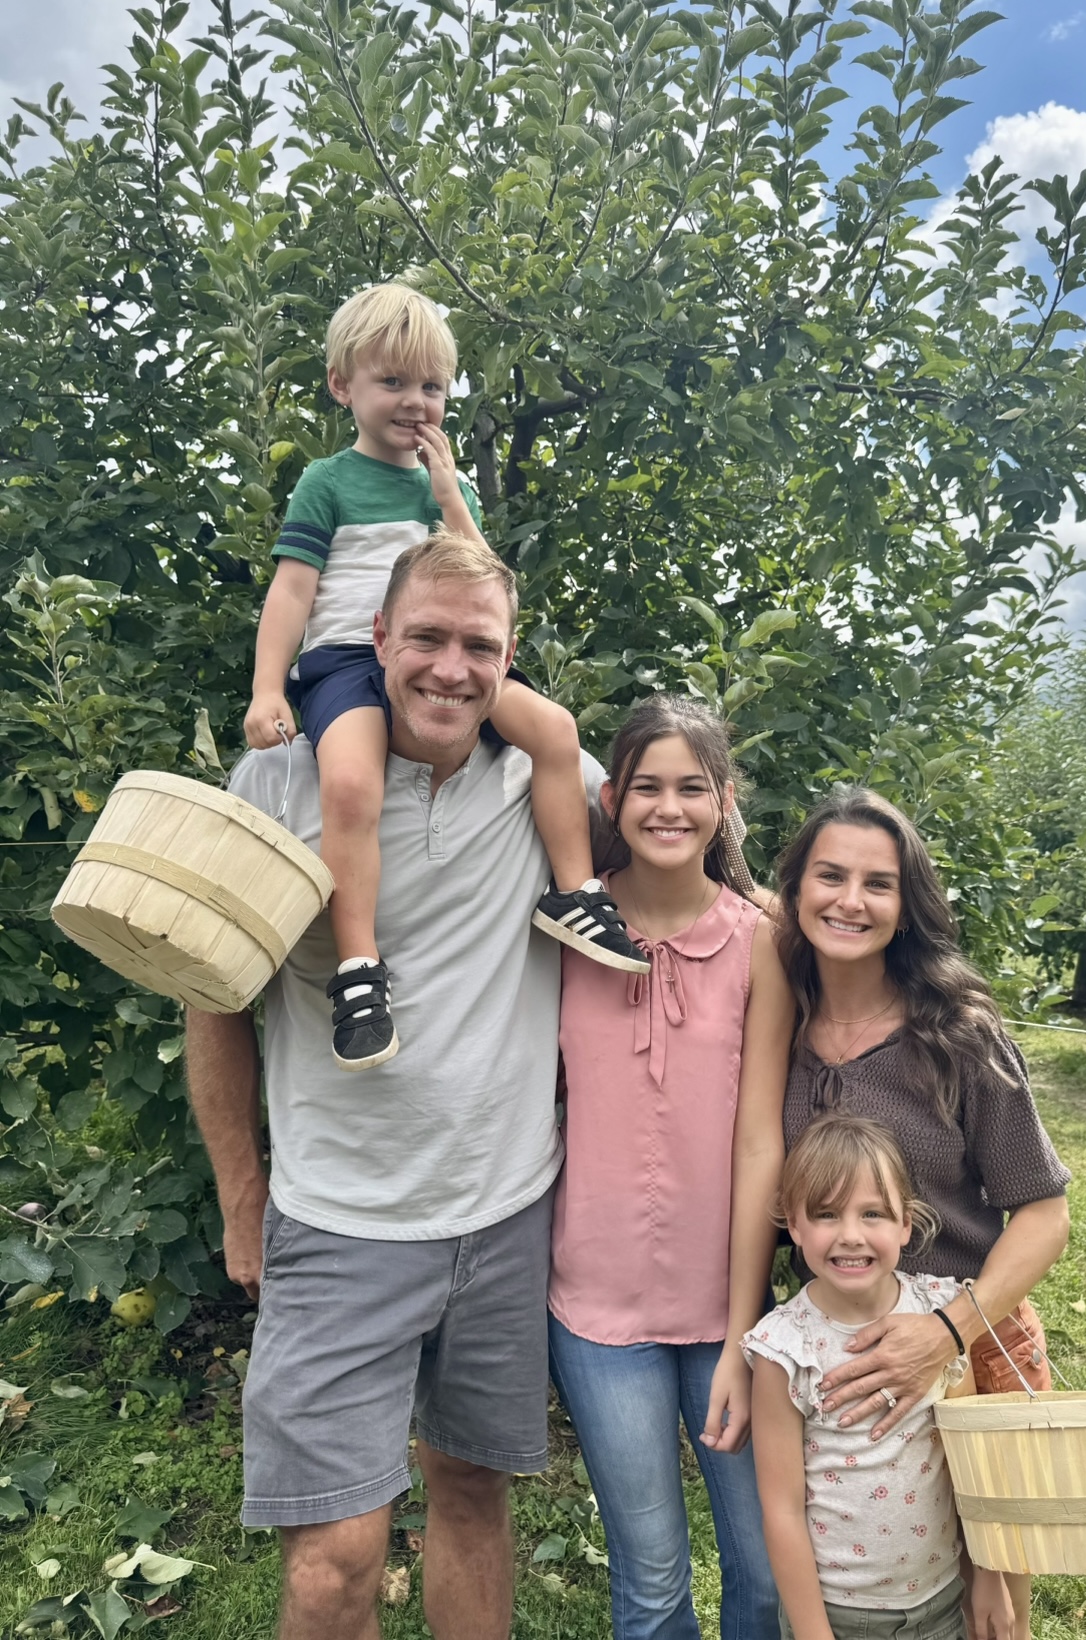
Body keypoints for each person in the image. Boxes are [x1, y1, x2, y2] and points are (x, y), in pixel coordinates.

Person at [188, 531, 605, 1640]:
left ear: (511, 661)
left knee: (472, 1497)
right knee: (334, 1565)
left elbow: (682, 856)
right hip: (336, 1220)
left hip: (507, 1212)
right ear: (375, 638)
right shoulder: (278, 783)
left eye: (481, 645)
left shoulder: (549, 783)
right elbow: (212, 1000)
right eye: (425, 635)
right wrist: (242, 1193)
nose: (450, 667)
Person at [243, 281, 645, 1071]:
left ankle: (574, 895)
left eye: (431, 385)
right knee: (351, 785)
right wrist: (266, 688)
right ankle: (359, 968)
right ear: (343, 386)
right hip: (351, 664)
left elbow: (486, 579)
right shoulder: (328, 481)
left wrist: (449, 497)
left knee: (556, 732)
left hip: (454, 659)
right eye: (392, 382)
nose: (415, 402)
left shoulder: (449, 483)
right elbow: (291, 590)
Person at [775, 788, 1070, 1638]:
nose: (850, 901)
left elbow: (1044, 1215)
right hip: (841, 1347)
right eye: (828, 876)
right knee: (864, 1577)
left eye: (879, 883)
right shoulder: (777, 1027)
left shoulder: (958, 1035)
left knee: (990, 1614)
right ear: (795, 890)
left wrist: (945, 1336)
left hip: (971, 1345)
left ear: (908, 907)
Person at [548, 695, 795, 1640]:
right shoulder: (569, 928)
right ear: (610, 797)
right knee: (650, 1587)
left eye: (693, 787)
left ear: (724, 801)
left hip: (723, 1309)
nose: (668, 807)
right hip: (596, 1308)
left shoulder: (760, 941)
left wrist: (742, 1332)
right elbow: (528, 723)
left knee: (766, 1573)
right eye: (645, 786)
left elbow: (759, 1138)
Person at [745, 1115, 1013, 1640]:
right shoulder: (784, 1349)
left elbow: (972, 1465)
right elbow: (781, 1511)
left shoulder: (941, 1316)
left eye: (873, 1213)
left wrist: (988, 1574)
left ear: (906, 1224)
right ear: (794, 1226)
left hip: (943, 1603)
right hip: (838, 1619)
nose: (850, 1235)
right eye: (825, 1214)